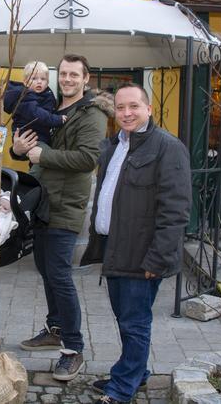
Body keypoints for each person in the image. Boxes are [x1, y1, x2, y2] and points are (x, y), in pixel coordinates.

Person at [81, 83, 192, 404]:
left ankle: (123, 387)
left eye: (133, 107)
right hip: (115, 247)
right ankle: (135, 371)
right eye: (120, 108)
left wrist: (157, 260)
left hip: (143, 254)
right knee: (125, 318)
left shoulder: (167, 148)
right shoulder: (115, 144)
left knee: (134, 322)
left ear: (149, 109)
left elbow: (176, 210)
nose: (126, 113)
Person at [12, 54, 112, 381]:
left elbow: (87, 158)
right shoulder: (54, 108)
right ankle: (55, 328)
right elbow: (31, 143)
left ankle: (73, 349)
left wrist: (45, 155)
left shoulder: (91, 114)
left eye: (74, 75)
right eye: (64, 73)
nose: (67, 79)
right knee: (45, 268)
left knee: (59, 274)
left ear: (86, 79)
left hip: (66, 205)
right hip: (43, 200)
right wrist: (17, 149)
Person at [3, 60, 65, 146]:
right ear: (26, 82)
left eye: (43, 79)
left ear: (47, 83)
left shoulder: (46, 95)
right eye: (34, 78)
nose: (39, 81)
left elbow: (50, 110)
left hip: (39, 134)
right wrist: (57, 119)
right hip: (27, 136)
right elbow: (36, 114)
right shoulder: (24, 97)